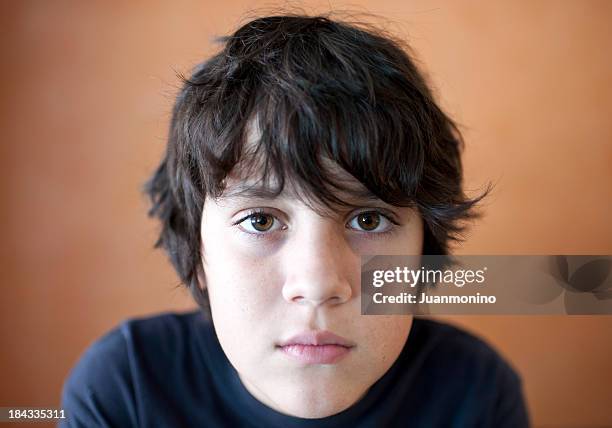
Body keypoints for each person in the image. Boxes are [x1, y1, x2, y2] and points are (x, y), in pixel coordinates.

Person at [60, 13, 529, 427]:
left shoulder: (473, 392)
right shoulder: (128, 387)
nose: (319, 282)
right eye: (260, 221)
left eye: (368, 220)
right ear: (198, 252)